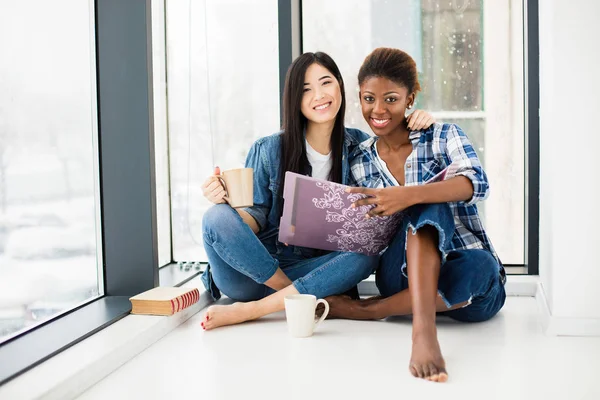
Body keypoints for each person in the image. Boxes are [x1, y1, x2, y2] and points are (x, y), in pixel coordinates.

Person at [199, 51, 436, 330]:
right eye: (306, 89)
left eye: (326, 83)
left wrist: (415, 122)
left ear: (340, 87)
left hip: (315, 272)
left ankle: (256, 310)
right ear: (294, 98)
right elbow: (253, 218)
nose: (319, 95)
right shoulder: (269, 149)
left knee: (367, 254)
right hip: (252, 274)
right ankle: (292, 297)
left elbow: (391, 183)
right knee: (216, 217)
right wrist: (228, 204)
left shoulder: (361, 147)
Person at [325, 47, 506, 383]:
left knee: (483, 263)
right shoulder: (358, 160)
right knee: (418, 203)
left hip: (468, 281)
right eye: (368, 98)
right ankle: (420, 327)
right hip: (400, 277)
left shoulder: (442, 136)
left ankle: (379, 314)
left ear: (410, 99)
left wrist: (405, 195)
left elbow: (475, 182)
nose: (378, 110)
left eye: (391, 99)